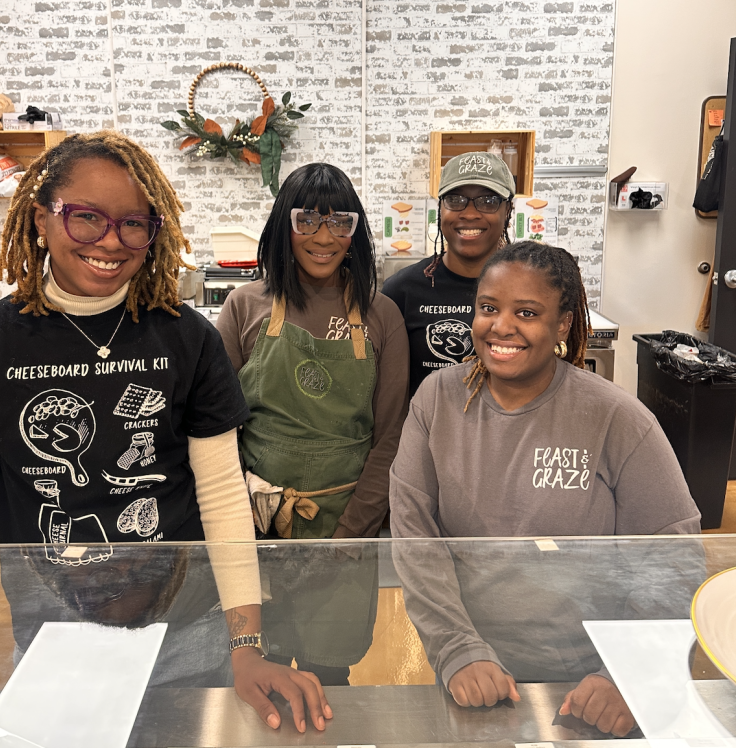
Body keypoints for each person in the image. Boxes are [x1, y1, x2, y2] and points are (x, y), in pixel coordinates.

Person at [0, 131, 330, 733]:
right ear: (41, 219)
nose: (110, 242)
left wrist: (246, 644)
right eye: (86, 218)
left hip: (187, 633)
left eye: (133, 224)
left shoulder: (186, 339)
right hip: (53, 634)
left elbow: (221, 493)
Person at [389, 241, 702, 737]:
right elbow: (416, 536)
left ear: (562, 324)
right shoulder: (437, 400)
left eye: (527, 312)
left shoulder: (614, 417)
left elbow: (673, 553)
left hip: (591, 684)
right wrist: (457, 649)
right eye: (488, 308)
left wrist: (628, 672)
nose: (501, 326)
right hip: (471, 672)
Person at [217, 162, 409, 685]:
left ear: (356, 232)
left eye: (340, 223)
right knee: (264, 667)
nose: (324, 238)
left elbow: (390, 437)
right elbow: (217, 431)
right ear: (284, 224)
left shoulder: (381, 314)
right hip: (259, 526)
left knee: (331, 674)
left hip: (347, 522)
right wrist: (247, 508)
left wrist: (348, 537)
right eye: (308, 221)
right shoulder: (244, 305)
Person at [382, 151, 515, 397]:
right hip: (426, 433)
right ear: (440, 209)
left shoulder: (526, 287)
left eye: (488, 201)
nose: (470, 213)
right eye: (456, 199)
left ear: (508, 210)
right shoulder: (401, 291)